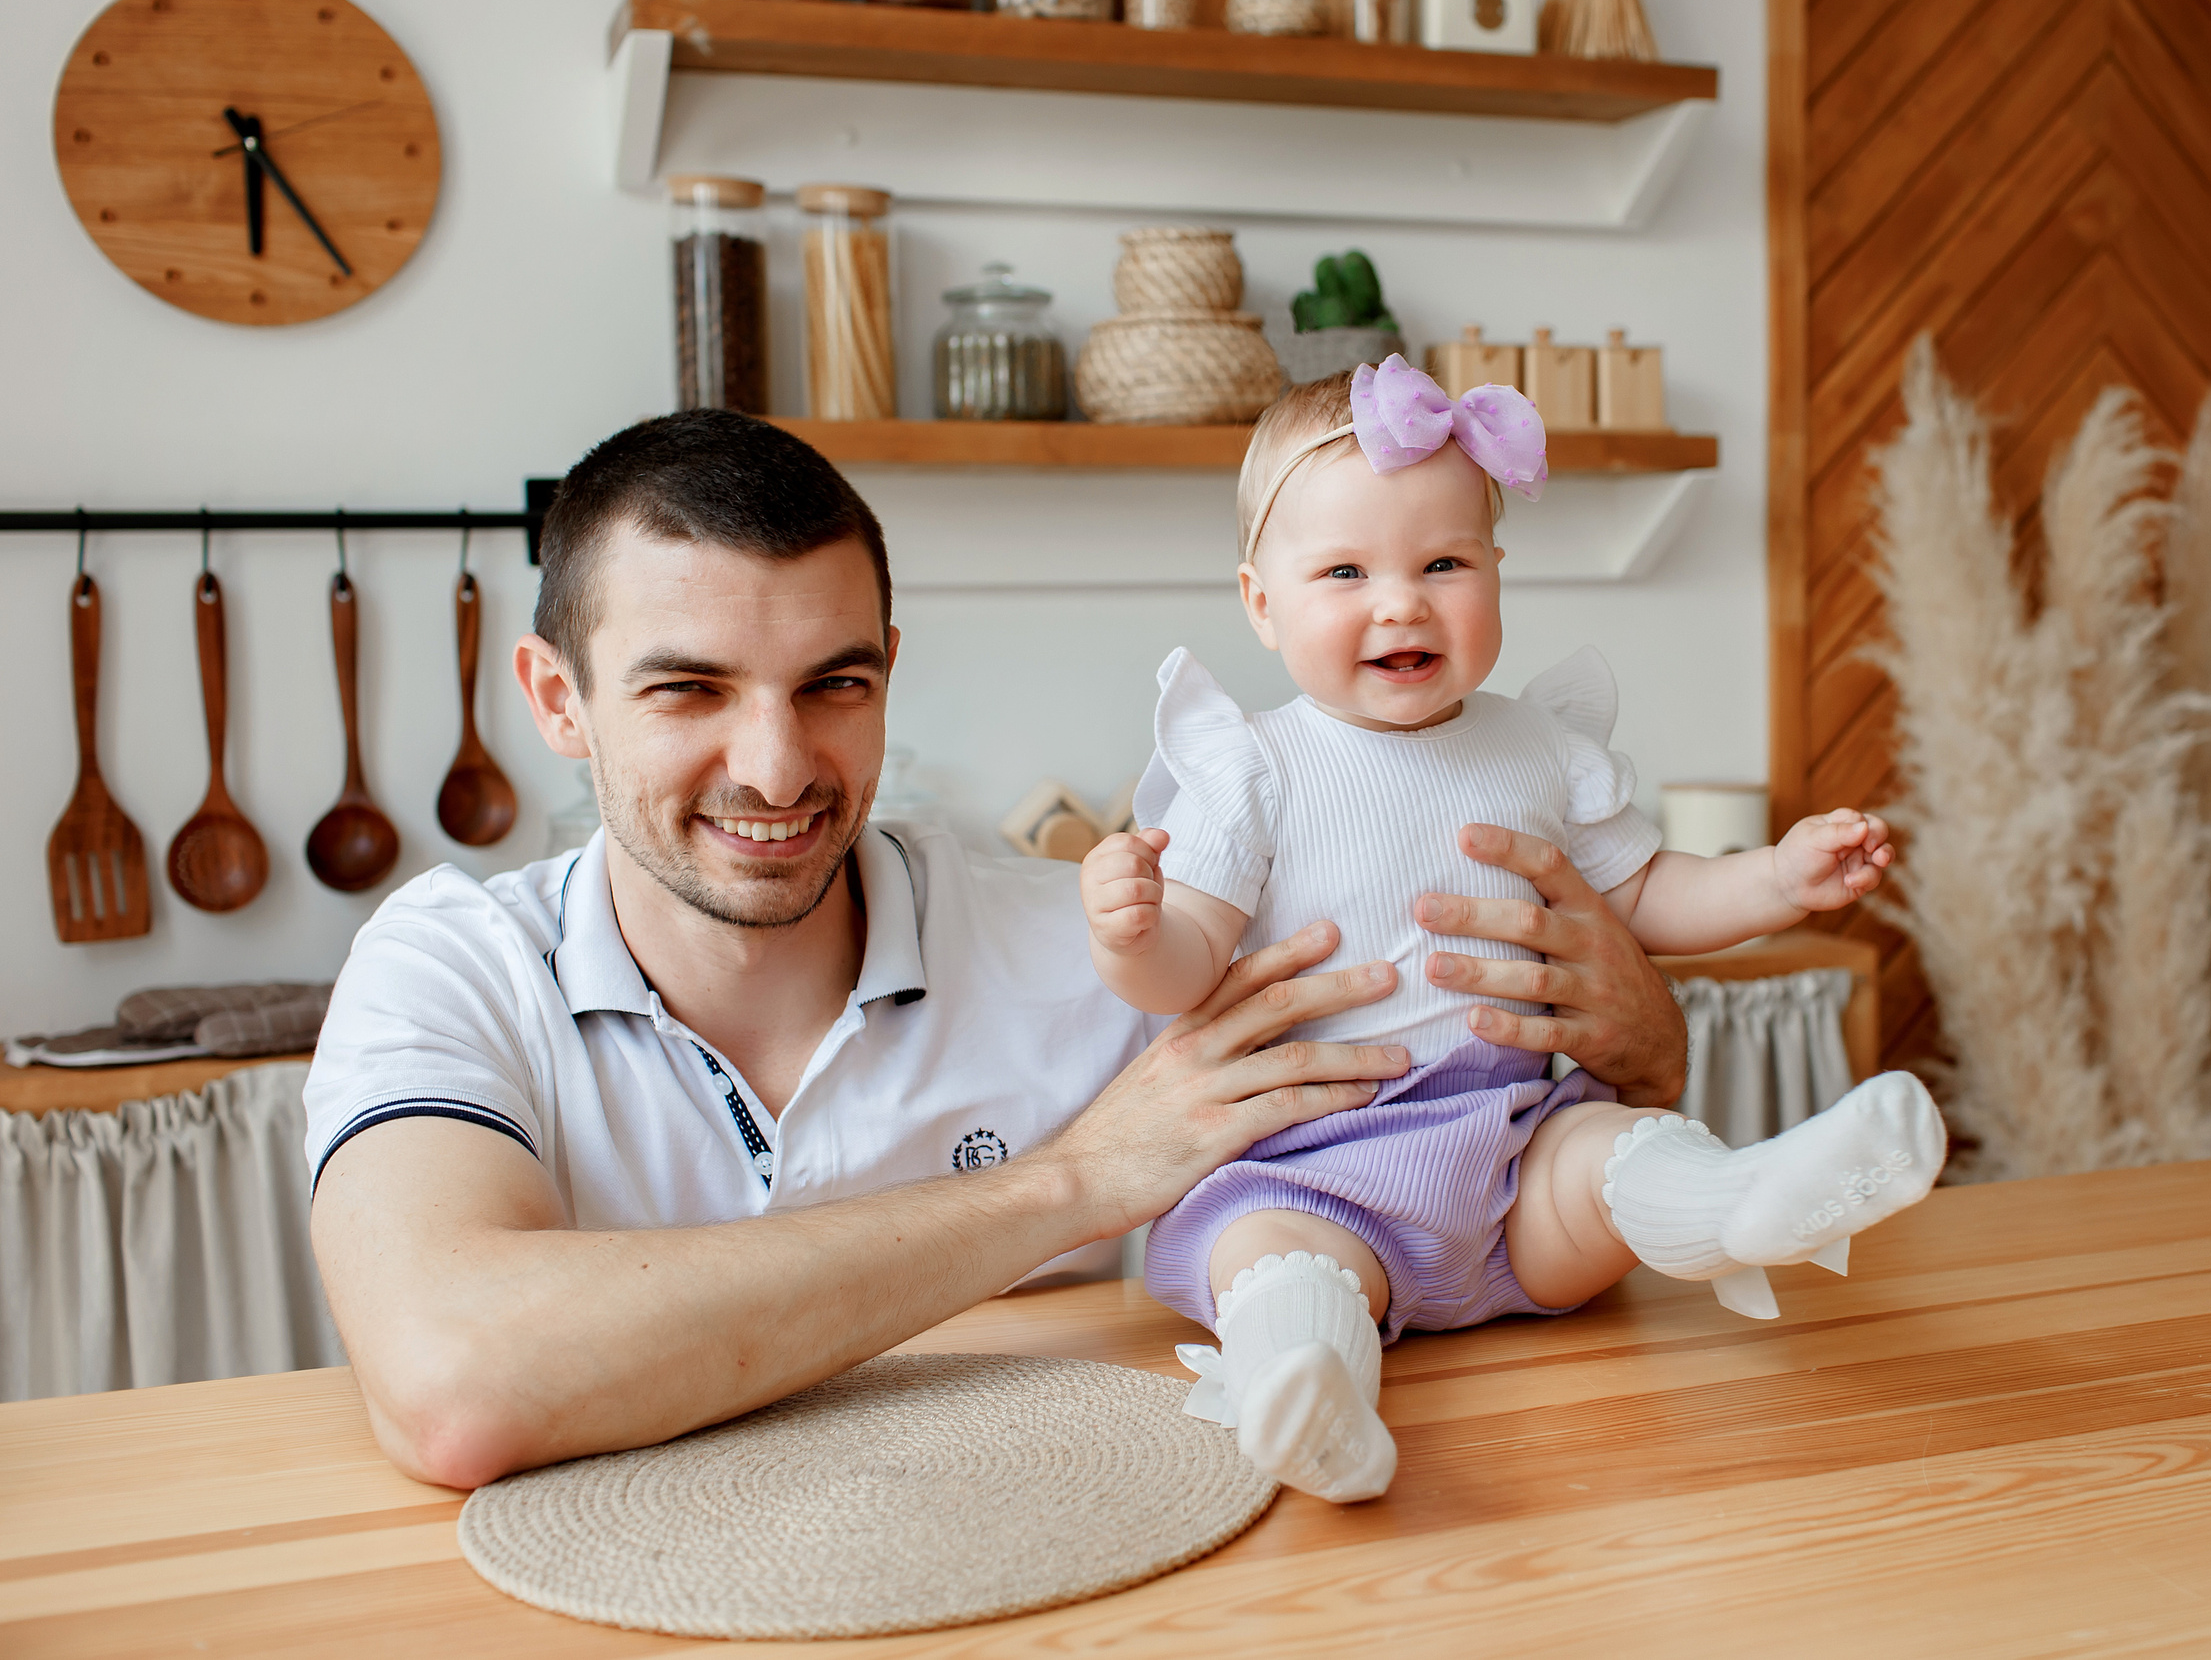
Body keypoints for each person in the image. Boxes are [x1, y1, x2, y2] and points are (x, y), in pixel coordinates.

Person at [302, 409, 1692, 1491]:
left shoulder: (1097, 946)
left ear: (889, 668)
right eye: (689, 688)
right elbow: (457, 1380)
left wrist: (1641, 1032)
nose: (778, 765)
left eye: (834, 683)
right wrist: (1075, 1182)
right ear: (560, 697)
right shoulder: (449, 965)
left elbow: (1453, 1166)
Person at [1079, 361, 1947, 1504]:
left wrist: (1776, 880)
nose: (1401, 602)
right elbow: (1183, 965)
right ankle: (1309, 1391)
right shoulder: (1256, 769)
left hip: (1507, 1147)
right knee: (1277, 1263)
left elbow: (1646, 899)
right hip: (1312, 1169)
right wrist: (1132, 932)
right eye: (1344, 571)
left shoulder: (1537, 748)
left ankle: (1742, 1206)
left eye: (1443, 563)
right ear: (1260, 602)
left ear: (1496, 573)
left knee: (1602, 1159)